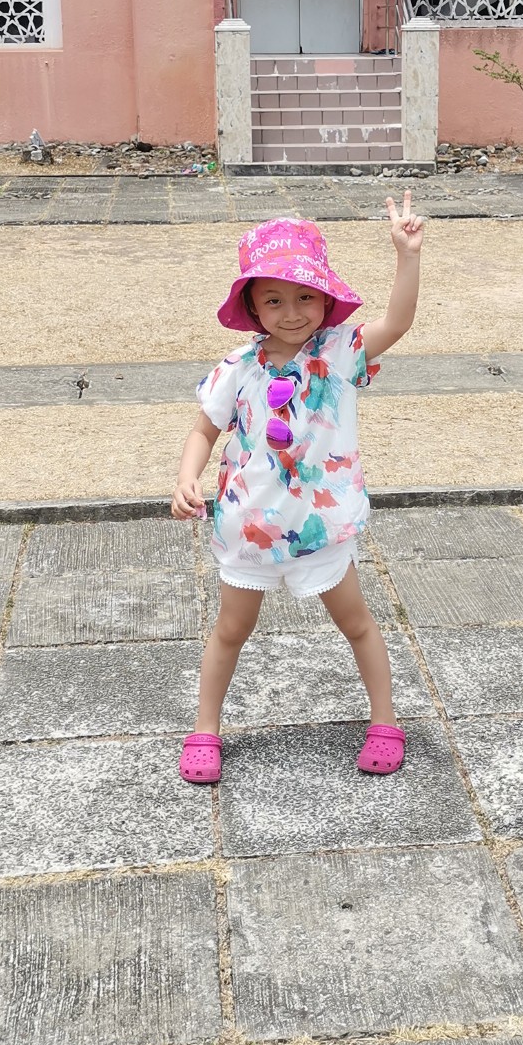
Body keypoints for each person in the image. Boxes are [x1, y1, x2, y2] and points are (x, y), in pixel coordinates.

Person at [171, 194, 425, 785]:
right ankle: (205, 728)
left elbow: (398, 322)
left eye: (305, 296)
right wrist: (187, 476)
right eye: (274, 300)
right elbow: (204, 430)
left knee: (356, 623)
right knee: (229, 630)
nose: (291, 313)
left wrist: (407, 256)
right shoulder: (237, 367)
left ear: (326, 299)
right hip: (248, 527)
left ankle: (385, 720)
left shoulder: (340, 354)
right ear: (251, 306)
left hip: (321, 528)